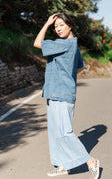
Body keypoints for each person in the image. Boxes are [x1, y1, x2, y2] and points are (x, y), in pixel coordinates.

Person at [34, 13, 100, 179]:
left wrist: (47, 23)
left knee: (65, 133)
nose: (58, 29)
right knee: (56, 133)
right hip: (55, 92)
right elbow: (79, 66)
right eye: (56, 26)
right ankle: (62, 165)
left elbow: (37, 43)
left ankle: (91, 162)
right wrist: (66, 76)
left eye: (61, 25)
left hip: (61, 94)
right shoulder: (74, 46)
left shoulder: (64, 44)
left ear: (70, 25)